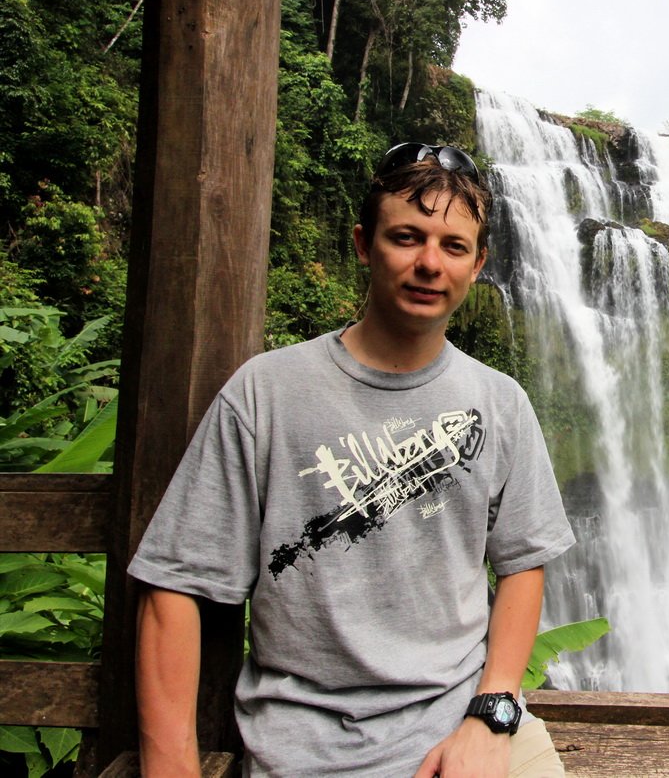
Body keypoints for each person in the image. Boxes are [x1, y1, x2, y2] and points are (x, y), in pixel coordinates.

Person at [129, 143, 576, 777]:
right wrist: (170, 768)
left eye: (452, 247)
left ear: (477, 267)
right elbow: (175, 583)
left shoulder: (501, 403)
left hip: (469, 725)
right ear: (365, 245)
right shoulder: (266, 393)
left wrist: (493, 715)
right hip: (308, 747)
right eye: (407, 237)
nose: (428, 263)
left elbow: (524, 564)